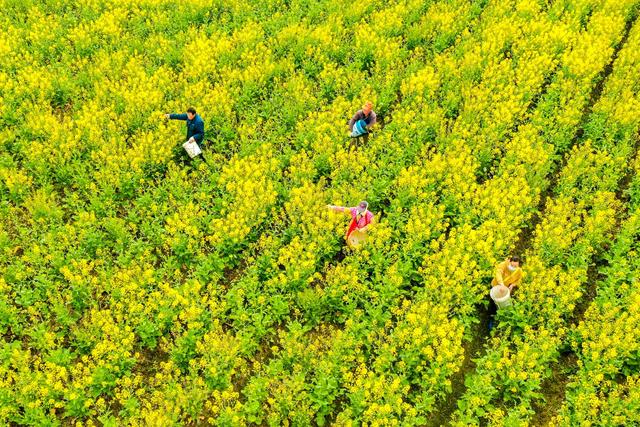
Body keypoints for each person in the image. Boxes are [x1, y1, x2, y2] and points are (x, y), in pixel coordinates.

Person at [488, 256, 523, 331]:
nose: (513, 267)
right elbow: (498, 274)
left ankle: (503, 318)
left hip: (506, 289)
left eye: (515, 266)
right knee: (493, 304)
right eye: (512, 265)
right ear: (509, 261)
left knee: (505, 303)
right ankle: (491, 318)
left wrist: (512, 285)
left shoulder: (519, 271)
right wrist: (501, 284)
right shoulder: (503, 264)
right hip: (496, 286)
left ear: (518, 265)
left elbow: (518, 280)